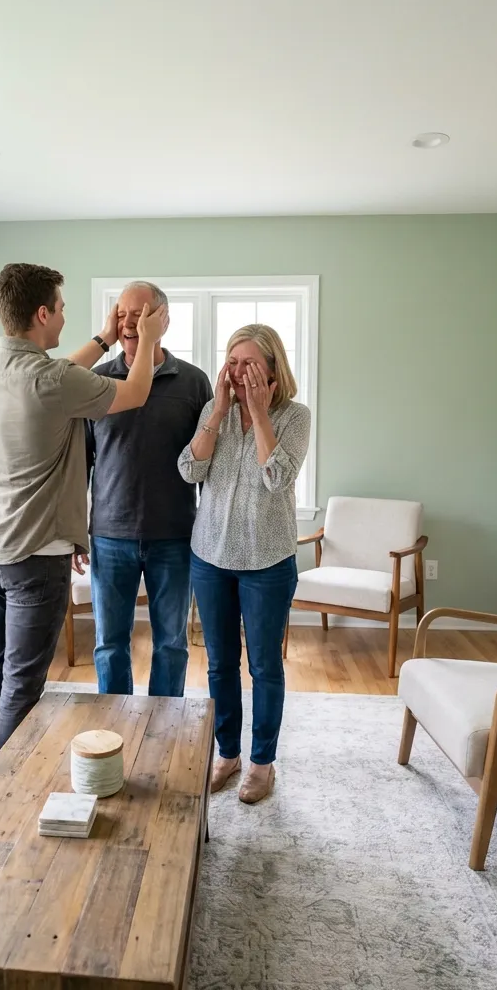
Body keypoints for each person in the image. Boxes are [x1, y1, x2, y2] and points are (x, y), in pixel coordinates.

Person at [0, 263, 166, 792]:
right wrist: (146, 337)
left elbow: (58, 378)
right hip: (33, 558)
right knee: (22, 682)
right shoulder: (51, 381)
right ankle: (2, 792)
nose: (64, 318)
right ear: (43, 313)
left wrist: (102, 336)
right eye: (61, 308)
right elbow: (136, 391)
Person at [178, 323, 310, 804]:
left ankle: (262, 762)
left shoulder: (295, 417)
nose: (237, 372)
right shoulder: (215, 412)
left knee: (264, 665)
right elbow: (189, 469)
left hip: (267, 561)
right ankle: (227, 752)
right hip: (210, 556)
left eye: (248, 364)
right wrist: (219, 411)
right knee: (219, 664)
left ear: (272, 371)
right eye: (231, 362)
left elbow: (277, 477)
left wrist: (258, 415)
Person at [75, 282, 212, 697]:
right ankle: (112, 728)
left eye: (140, 313)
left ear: (162, 320)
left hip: (174, 537)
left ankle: (163, 727)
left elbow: (207, 465)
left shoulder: (192, 383)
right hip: (109, 537)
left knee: (171, 644)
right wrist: (74, 533)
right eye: (121, 314)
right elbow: (80, 462)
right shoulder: (97, 381)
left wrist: (209, 535)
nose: (129, 322)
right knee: (109, 646)